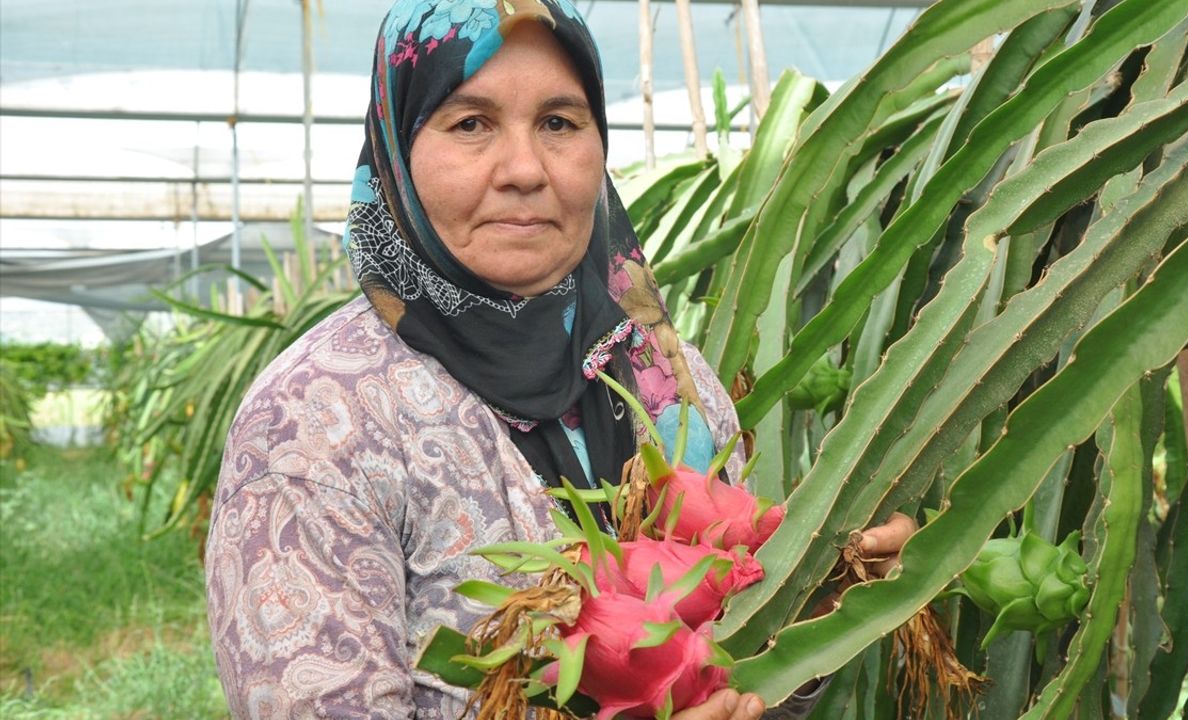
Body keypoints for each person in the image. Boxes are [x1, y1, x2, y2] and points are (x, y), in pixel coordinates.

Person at [204, 1, 915, 718]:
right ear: (396, 151)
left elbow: (740, 672)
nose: (524, 169)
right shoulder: (313, 421)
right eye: (470, 123)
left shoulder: (670, 382)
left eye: (559, 123)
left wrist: (811, 595)